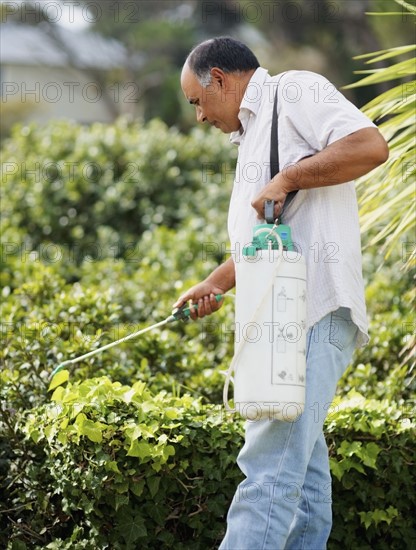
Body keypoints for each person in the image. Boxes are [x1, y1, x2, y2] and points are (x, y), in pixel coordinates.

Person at [174, 37, 389, 549]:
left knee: (268, 470)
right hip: (282, 320)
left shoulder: (294, 91)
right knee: (305, 484)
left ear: (220, 80)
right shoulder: (249, 136)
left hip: (311, 312)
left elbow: (371, 146)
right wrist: (216, 283)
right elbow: (266, 240)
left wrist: (289, 176)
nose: (199, 117)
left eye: (197, 102)